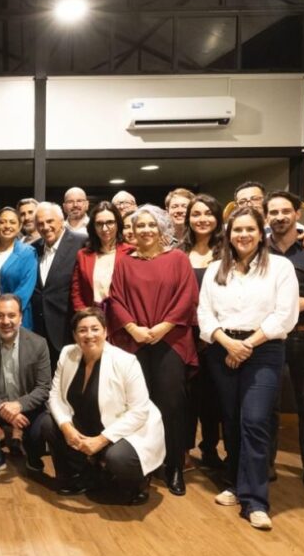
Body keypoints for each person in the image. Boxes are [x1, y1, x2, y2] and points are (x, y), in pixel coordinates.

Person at [198, 207, 298, 531]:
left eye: (249, 230)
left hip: (264, 350)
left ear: (261, 231)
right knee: (231, 420)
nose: (243, 236)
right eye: (237, 230)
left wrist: (246, 346)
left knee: (254, 421)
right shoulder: (216, 269)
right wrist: (228, 344)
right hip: (223, 348)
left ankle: (255, 500)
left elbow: (284, 315)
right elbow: (205, 316)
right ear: (228, 234)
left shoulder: (279, 268)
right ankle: (232, 482)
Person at [107, 205, 197, 496]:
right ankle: (143, 465)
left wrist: (163, 327)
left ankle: (173, 467)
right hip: (133, 341)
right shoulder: (124, 261)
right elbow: (116, 298)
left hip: (169, 341)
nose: (145, 230)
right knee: (137, 406)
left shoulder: (178, 259)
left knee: (171, 406)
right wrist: (133, 328)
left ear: (162, 229)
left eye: (151, 225)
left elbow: (187, 296)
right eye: (140, 225)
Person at [40, 308, 166, 504]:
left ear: (105, 332)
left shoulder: (126, 361)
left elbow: (139, 412)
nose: (89, 335)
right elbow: (55, 395)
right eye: (82, 330)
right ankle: (85, 475)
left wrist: (101, 440)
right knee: (49, 423)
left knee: (119, 458)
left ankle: (138, 482)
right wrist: (66, 428)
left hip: (126, 428)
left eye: (95, 329)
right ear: (74, 335)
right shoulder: (67, 353)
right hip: (87, 421)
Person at [265, 191, 304, 493]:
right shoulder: (258, 249)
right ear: (266, 217)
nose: (279, 217)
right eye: (273, 212)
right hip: (269, 337)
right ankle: (266, 465)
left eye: (285, 211)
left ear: (298, 214)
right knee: (267, 404)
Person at [0, 294, 51, 477]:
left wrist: (19, 405)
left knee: (43, 425)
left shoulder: (39, 344)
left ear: (20, 317)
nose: (6, 321)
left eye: (11, 315)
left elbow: (43, 387)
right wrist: (4, 409)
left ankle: (33, 456)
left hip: (27, 405)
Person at [178, 194, 226, 470]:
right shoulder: (178, 252)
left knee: (213, 397)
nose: (202, 219)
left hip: (218, 336)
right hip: (185, 335)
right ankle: (184, 448)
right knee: (185, 396)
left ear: (217, 218)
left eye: (208, 213)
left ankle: (210, 449)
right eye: (196, 214)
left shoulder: (227, 251)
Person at [32, 202, 85, 371]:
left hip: (68, 330)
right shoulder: (33, 248)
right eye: (40, 223)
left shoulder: (82, 243)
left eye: (50, 221)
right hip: (39, 332)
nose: (45, 227)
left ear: (61, 220)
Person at [69, 201, 132, 314]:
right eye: (99, 223)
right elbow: (76, 292)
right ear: (93, 226)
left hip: (124, 318)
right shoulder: (83, 255)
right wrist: (85, 316)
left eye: (110, 222)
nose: (105, 228)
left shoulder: (131, 252)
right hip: (92, 319)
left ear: (118, 223)